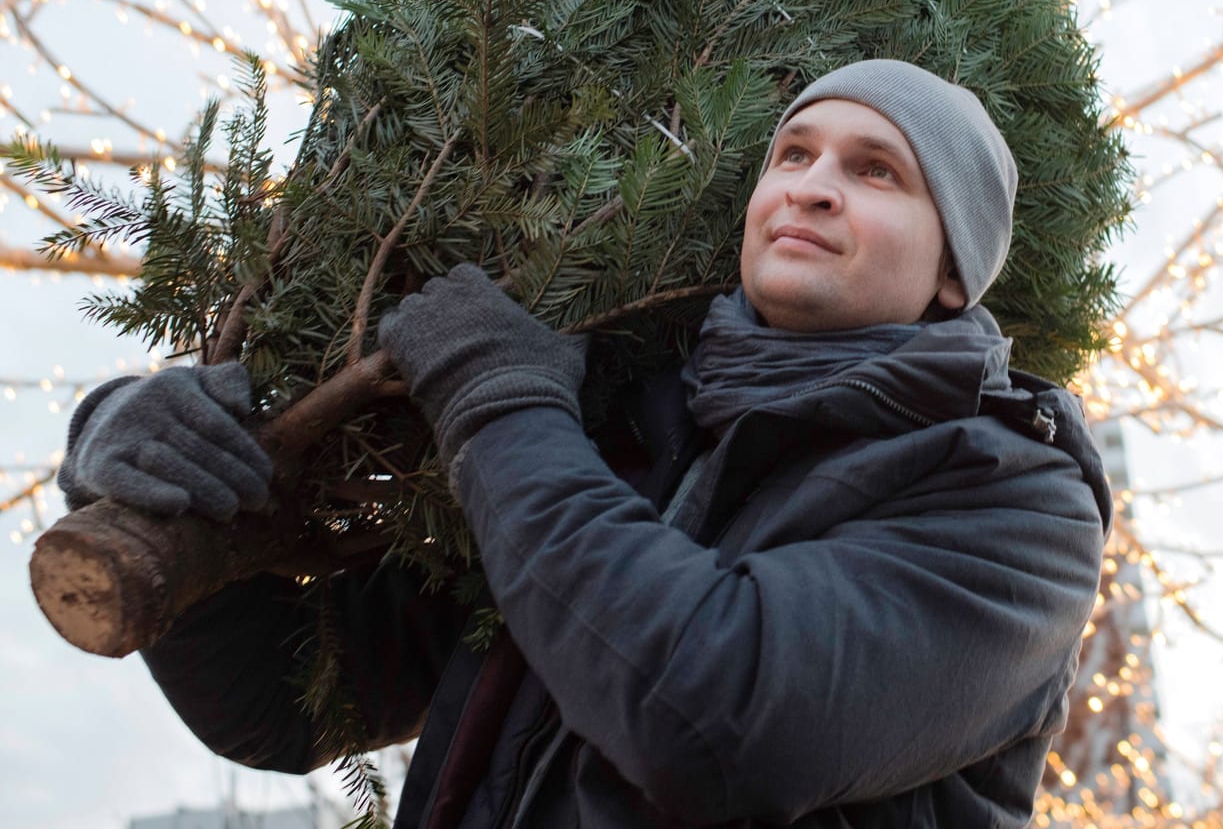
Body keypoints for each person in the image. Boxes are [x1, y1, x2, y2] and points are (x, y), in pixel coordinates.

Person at [57, 58, 1112, 827]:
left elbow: (712, 719)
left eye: (878, 170)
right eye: (793, 151)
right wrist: (135, 467)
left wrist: (497, 401)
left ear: (951, 272)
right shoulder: (623, 437)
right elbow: (281, 703)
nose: (812, 182)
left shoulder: (1012, 501)